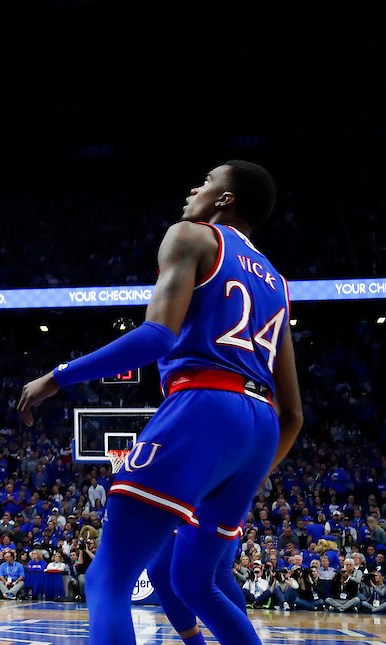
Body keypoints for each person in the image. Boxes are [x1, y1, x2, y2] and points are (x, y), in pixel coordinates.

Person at [19, 161, 303, 645]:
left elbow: (156, 338)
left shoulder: (192, 236)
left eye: (207, 181)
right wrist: (248, 472)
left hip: (205, 405)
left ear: (225, 199)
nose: (195, 187)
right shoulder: (277, 282)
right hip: (260, 428)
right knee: (198, 584)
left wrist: (57, 376)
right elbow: (294, 413)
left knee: (107, 580)